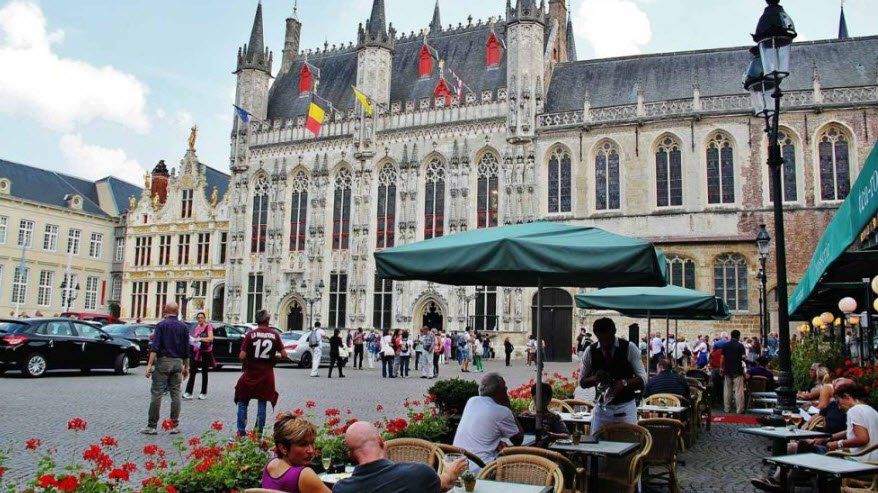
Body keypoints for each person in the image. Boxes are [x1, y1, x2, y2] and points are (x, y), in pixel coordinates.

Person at [752, 383, 878, 492]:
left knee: (803, 447)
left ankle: (782, 481)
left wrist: (837, 444)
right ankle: (780, 480)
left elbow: (862, 438)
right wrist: (830, 438)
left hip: (858, 463)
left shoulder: (854, 411)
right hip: (870, 462)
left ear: (847, 396)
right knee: (799, 447)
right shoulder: (871, 410)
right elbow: (851, 432)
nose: (839, 407)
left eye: (839, 402)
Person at [334, 422, 467, 493]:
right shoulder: (419, 474)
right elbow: (444, 483)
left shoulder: (342, 489)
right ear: (381, 441)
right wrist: (450, 474)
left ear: (350, 455)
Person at [579, 317, 647, 434]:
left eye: (608, 339)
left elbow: (643, 379)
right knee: (597, 446)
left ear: (614, 332)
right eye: (601, 339)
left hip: (625, 407)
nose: (605, 344)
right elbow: (582, 382)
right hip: (602, 409)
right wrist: (595, 378)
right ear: (596, 335)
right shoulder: (590, 351)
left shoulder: (629, 348)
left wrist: (624, 383)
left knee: (629, 443)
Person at [453, 373, 524, 470]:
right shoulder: (502, 411)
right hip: (481, 469)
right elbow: (518, 440)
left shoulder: (471, 401)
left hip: (457, 466)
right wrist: (508, 406)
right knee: (519, 467)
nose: (507, 390)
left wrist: (495, 443)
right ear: (500, 391)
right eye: (505, 388)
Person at [235, 309, 287, 437]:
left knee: (242, 401)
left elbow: (242, 356)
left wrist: (251, 356)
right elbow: (284, 355)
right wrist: (274, 357)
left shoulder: (250, 334)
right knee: (262, 403)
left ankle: (241, 432)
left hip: (250, 373)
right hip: (266, 375)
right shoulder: (274, 335)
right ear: (268, 320)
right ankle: (258, 433)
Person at [141, 302, 190, 435]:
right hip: (178, 362)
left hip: (164, 361)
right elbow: (186, 349)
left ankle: (152, 426)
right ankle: (174, 425)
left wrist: (149, 365)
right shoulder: (184, 327)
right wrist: (187, 367)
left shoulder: (161, 325)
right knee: (176, 393)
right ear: (177, 311)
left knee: (157, 393)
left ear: (165, 311)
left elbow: (155, 347)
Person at [262, 412, 331, 493]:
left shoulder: (270, 465)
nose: (311, 451)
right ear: (283, 448)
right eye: (303, 444)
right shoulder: (303, 475)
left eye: (312, 443)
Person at [519, 382, 569, 447]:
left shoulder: (553, 417)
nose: (539, 401)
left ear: (549, 400)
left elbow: (566, 435)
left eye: (543, 398)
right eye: (536, 398)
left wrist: (551, 435)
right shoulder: (525, 415)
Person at [184, 312, 214, 400]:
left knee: (205, 372)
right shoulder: (196, 328)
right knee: (192, 371)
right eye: (199, 318)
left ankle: (203, 392)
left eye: (202, 317)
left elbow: (211, 338)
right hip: (197, 352)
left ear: (204, 318)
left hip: (205, 352)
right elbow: (195, 338)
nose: (200, 319)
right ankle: (189, 392)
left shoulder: (208, 327)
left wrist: (200, 339)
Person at [720, 329, 747, 414]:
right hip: (737, 369)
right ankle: (739, 409)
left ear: (731, 336)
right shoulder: (740, 346)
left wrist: (721, 368)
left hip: (727, 369)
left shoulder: (725, 345)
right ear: (738, 336)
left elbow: (722, 358)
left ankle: (727, 408)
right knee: (739, 390)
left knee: (727, 390)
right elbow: (743, 357)